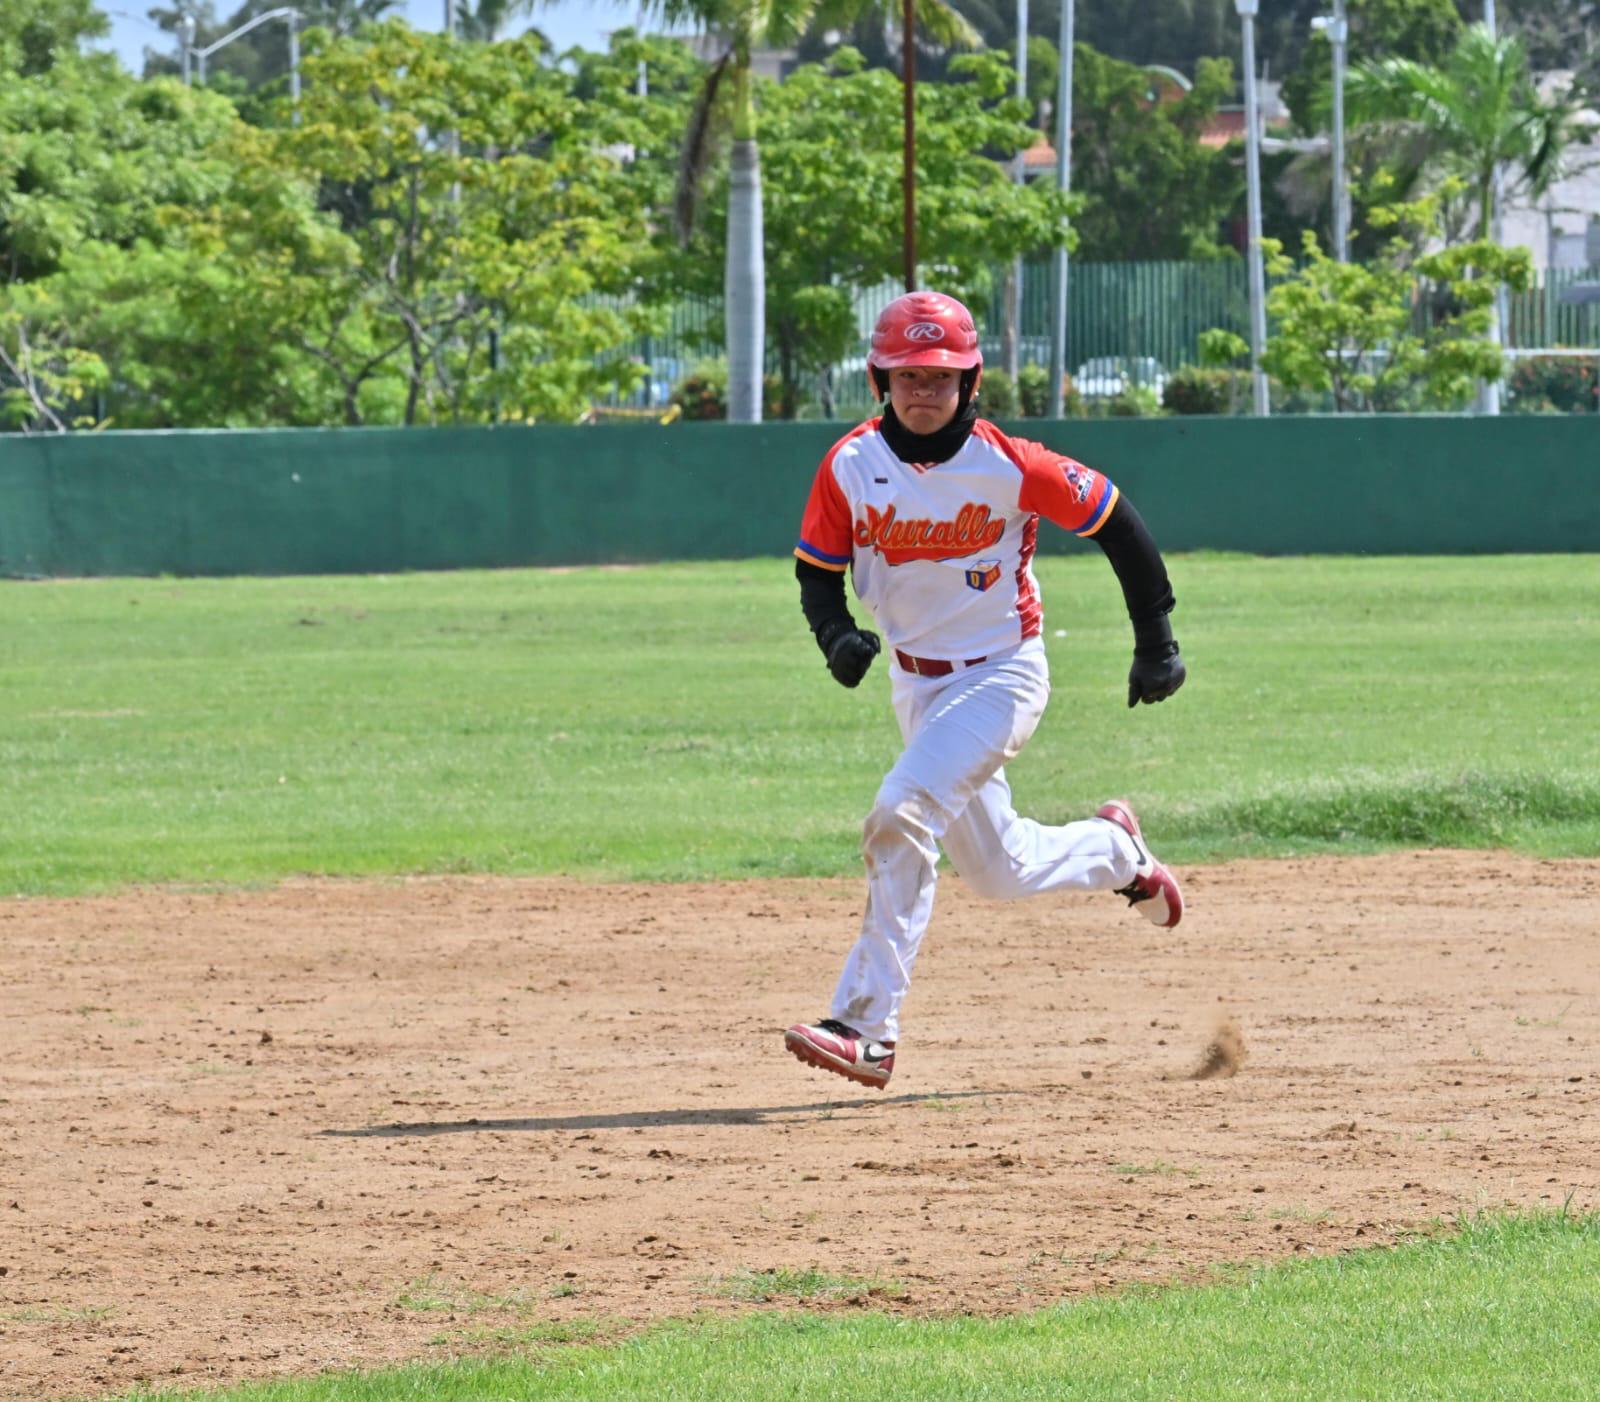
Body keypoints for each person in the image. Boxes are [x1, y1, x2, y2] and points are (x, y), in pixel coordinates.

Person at [783, 290, 1187, 1090]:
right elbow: (816, 575)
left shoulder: (1009, 462)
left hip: (1003, 674)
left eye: (941, 376)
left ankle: (867, 1027)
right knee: (999, 872)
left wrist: (1157, 642)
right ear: (880, 380)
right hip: (918, 688)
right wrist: (835, 638)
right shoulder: (851, 466)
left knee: (900, 814)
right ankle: (1118, 853)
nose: (922, 391)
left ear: (970, 382)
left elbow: (1118, 521)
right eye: (907, 375)